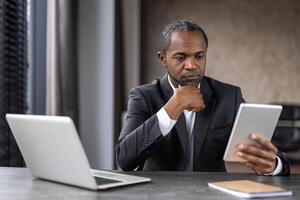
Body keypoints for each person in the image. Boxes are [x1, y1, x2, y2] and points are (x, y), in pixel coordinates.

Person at [115, 20, 290, 175]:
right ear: (163, 59)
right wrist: (172, 108)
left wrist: (273, 165)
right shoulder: (143, 96)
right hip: (160, 193)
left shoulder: (229, 96)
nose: (191, 65)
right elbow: (124, 160)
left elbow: (272, 154)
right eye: (181, 57)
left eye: (199, 56)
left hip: (211, 193)